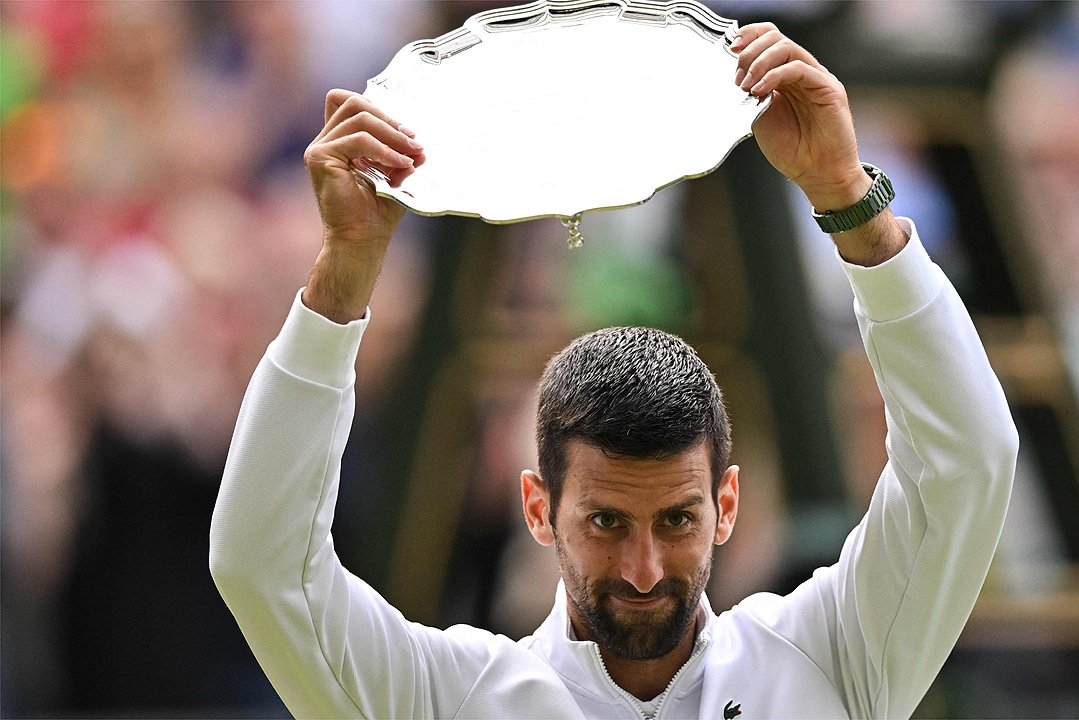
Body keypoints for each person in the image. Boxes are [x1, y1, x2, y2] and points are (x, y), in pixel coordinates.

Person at [210, 22, 1018, 719]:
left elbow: (967, 464)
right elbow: (260, 565)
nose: (643, 570)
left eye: (676, 520)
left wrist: (849, 198)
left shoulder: (831, 659)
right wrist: (344, 271)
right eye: (605, 523)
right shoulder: (447, 695)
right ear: (538, 506)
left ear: (726, 503)